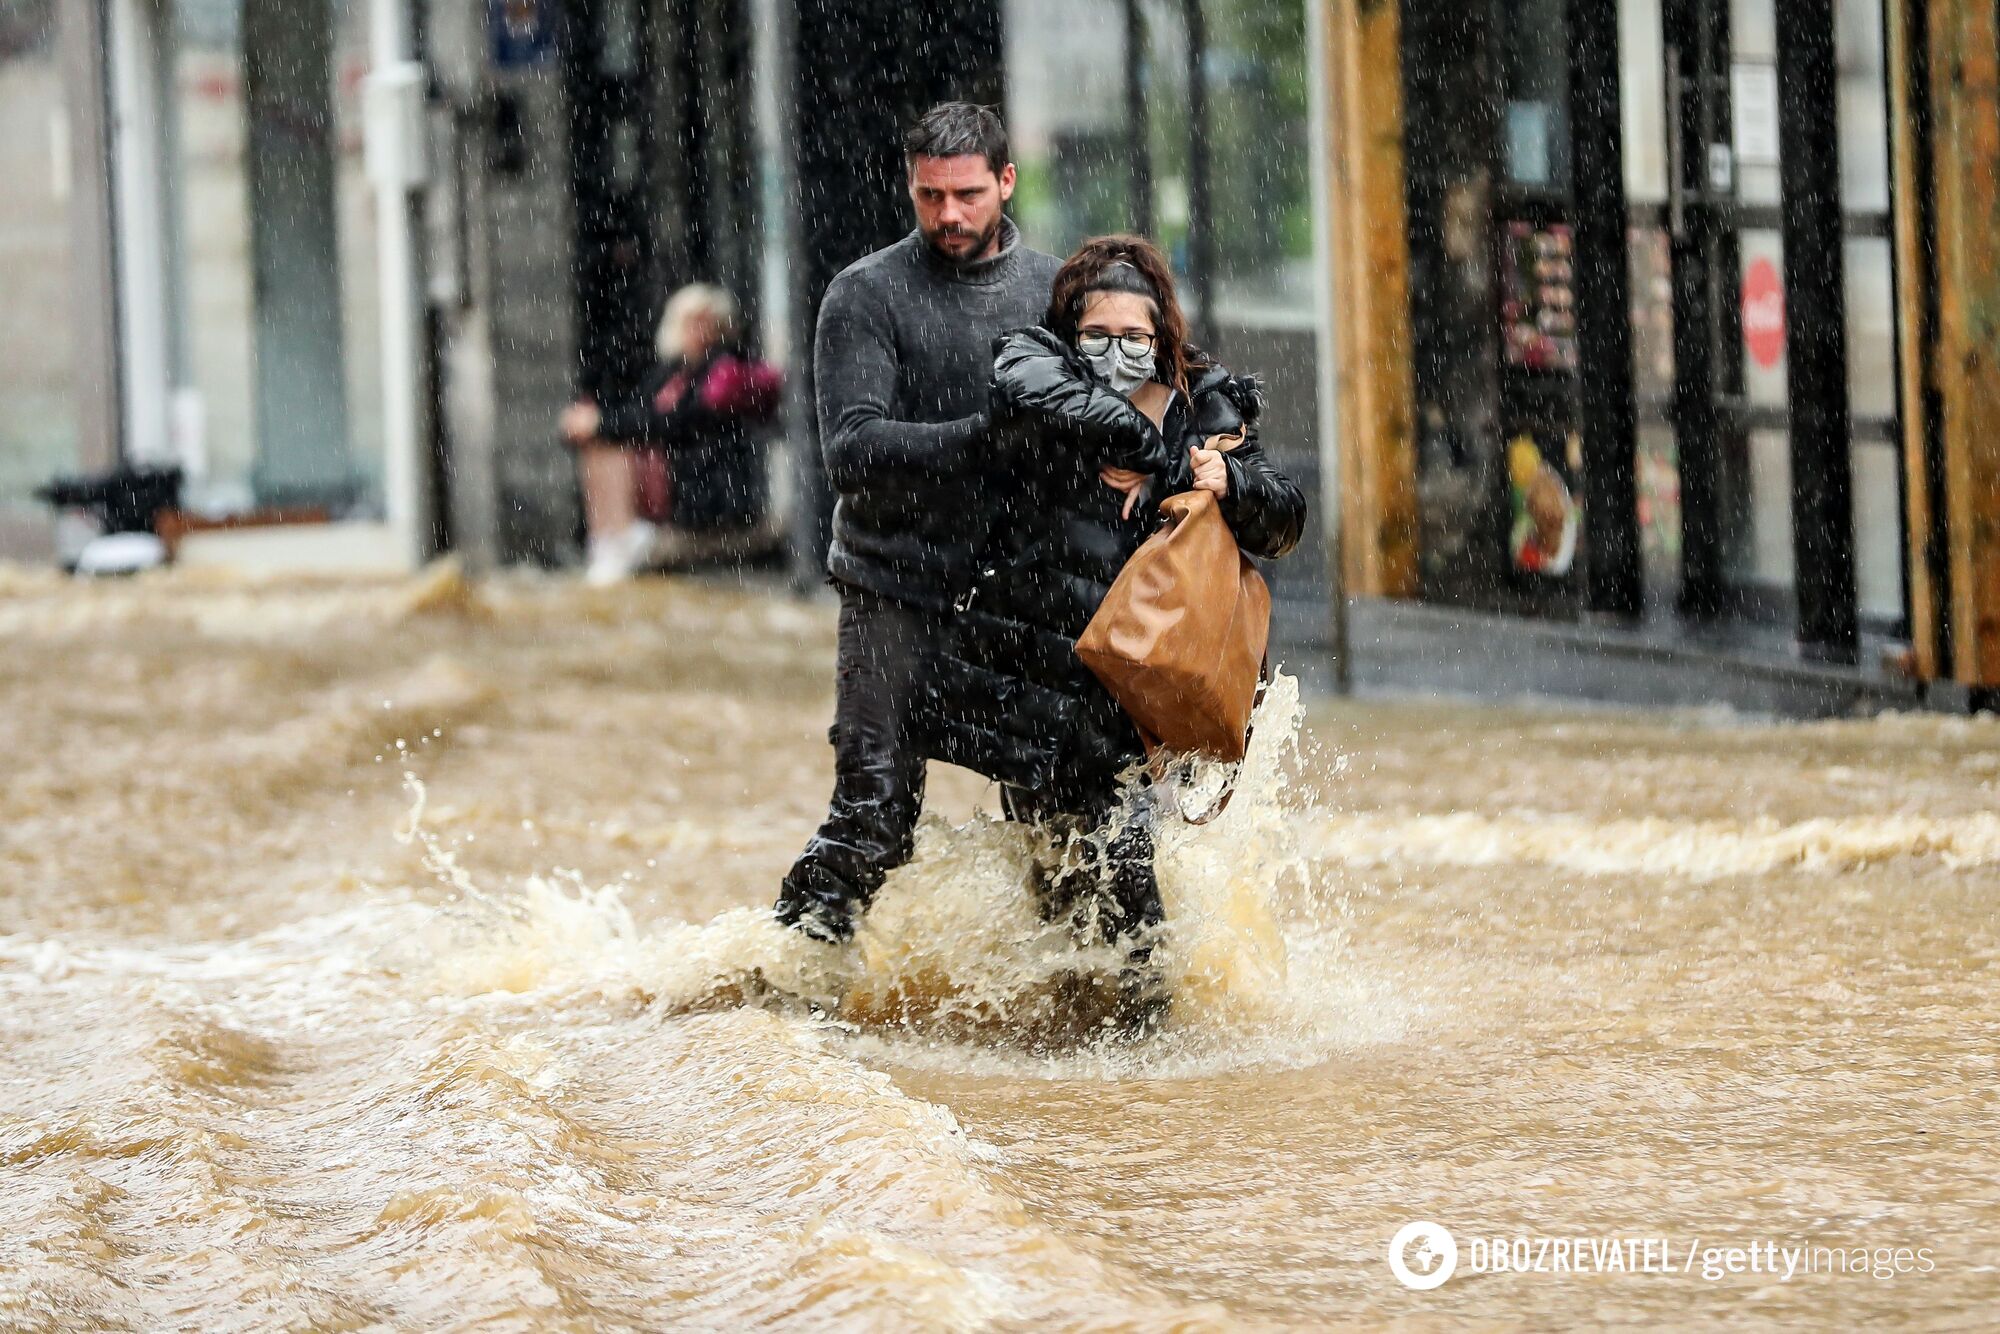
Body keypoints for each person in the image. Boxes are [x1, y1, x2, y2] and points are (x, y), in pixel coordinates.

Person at [925, 234, 1307, 1033]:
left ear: (1162, 336)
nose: (1116, 352)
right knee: (1055, 894)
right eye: (1097, 335)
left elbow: (1283, 520)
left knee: (1131, 882)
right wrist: (1124, 438)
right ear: (1071, 333)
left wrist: (1227, 479)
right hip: (1038, 683)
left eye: (1135, 338)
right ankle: (1074, 1068)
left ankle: (1146, 1066)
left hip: (1135, 700)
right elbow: (1024, 382)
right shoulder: (1039, 385)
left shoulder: (1209, 410)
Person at [773, 103, 1063, 944]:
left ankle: (1092, 1020)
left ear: (1006, 182)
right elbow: (853, 451)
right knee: (872, 819)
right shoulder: (864, 295)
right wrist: (987, 437)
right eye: (930, 195)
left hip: (1024, 591)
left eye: (968, 194)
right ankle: (781, 1007)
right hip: (892, 587)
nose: (949, 215)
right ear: (910, 186)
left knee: (1067, 818)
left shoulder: (1057, 291)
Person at [560, 284, 780, 586]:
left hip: (705, 492)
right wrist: (594, 421)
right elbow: (639, 412)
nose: (697, 332)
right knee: (603, 444)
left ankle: (620, 539)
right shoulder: (674, 371)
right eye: (690, 323)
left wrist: (601, 424)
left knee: (612, 440)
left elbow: (674, 423)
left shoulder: (723, 371)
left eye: (705, 323)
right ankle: (609, 541)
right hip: (677, 482)